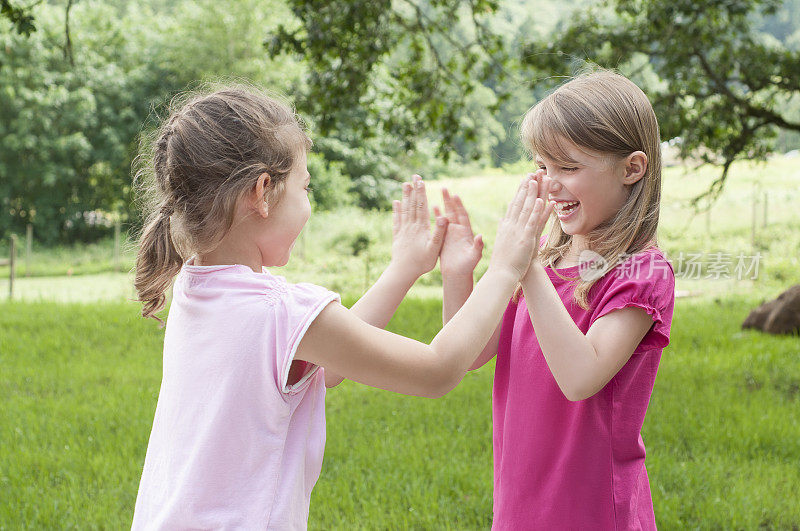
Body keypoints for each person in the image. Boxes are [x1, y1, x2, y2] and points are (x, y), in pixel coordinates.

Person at [129, 84, 552, 530]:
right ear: (262, 192)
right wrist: (505, 266)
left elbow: (325, 363)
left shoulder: (195, 286)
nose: (308, 206)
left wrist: (404, 268)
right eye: (305, 187)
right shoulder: (280, 310)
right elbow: (437, 370)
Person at [438, 70, 676, 529]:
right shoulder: (547, 260)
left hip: (591, 508)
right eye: (543, 167)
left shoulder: (641, 273)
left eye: (568, 167)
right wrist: (458, 274)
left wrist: (523, 267)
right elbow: (473, 352)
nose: (550, 184)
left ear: (632, 168)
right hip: (521, 499)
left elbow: (580, 378)